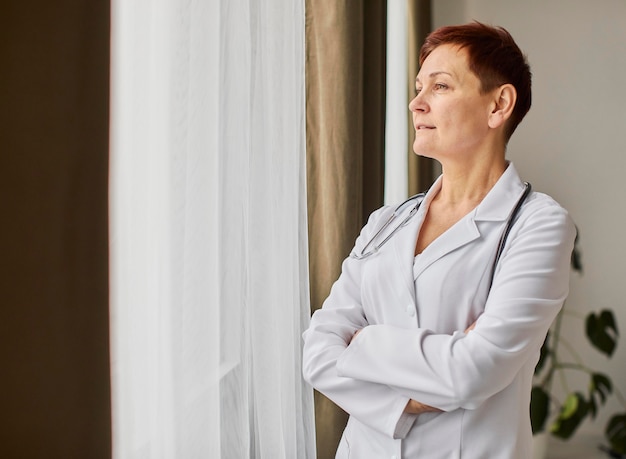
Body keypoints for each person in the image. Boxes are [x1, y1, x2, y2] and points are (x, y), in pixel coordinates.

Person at [302, 22, 576, 458]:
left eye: (440, 86)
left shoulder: (538, 226)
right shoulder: (387, 221)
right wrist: (420, 389)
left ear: (498, 105)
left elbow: (474, 370)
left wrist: (365, 343)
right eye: (417, 87)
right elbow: (318, 351)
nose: (416, 103)